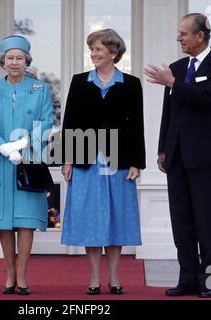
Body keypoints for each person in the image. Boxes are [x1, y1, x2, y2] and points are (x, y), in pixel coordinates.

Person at [144, 13, 211, 298]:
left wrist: (174, 83)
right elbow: (168, 113)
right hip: (176, 156)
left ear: (201, 35)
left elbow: (209, 100)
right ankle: (186, 280)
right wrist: (162, 148)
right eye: (178, 33)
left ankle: (209, 282)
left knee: (206, 223)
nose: (179, 38)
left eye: (184, 33)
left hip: (205, 157)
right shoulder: (176, 67)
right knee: (181, 221)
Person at [61, 29, 145, 295]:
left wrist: (136, 162)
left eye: (98, 49)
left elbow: (137, 126)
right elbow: (70, 122)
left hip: (119, 161)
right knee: (90, 219)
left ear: (113, 52)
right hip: (86, 161)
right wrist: (67, 160)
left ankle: (115, 277)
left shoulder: (131, 84)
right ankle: (95, 277)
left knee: (116, 218)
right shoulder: (79, 81)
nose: (93, 54)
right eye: (92, 49)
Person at [0, 35, 53, 295]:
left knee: (25, 221)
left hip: (28, 160)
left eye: (20, 58)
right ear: (3, 61)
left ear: (27, 61)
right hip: (0, 161)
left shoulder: (40, 89)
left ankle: (22, 276)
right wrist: (2, 146)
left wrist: (22, 144)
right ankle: (9, 274)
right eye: (10, 58)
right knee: (5, 222)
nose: (15, 62)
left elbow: (46, 122)